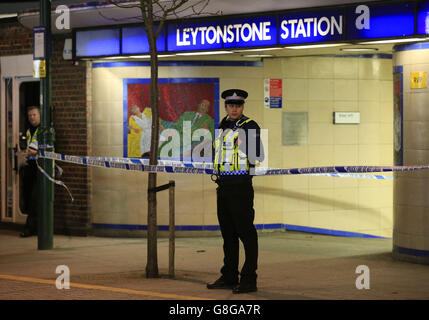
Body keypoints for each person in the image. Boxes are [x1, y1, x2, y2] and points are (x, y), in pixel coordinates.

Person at [207, 89, 264, 294]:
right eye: (230, 105)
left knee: (246, 233)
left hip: (240, 187)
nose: (234, 108)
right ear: (225, 107)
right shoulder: (222, 126)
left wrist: (246, 145)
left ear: (242, 107)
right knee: (228, 234)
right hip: (223, 186)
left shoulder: (249, 126)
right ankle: (229, 275)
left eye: (238, 105)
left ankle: (249, 279)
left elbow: (259, 156)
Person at [20, 106, 41, 237]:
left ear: (39, 115)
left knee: (34, 200)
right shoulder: (28, 131)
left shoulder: (43, 131)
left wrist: (36, 152)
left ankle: (30, 229)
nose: (32, 117)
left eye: (34, 115)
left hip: (40, 169)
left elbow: (50, 150)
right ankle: (33, 228)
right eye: (30, 115)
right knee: (29, 199)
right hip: (30, 168)